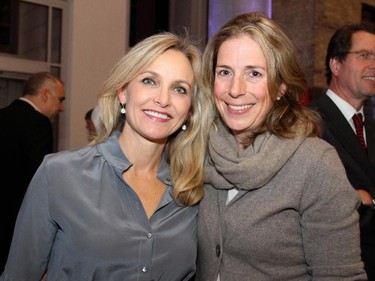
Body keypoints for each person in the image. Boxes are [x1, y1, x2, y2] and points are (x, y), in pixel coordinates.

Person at [1, 32, 213, 280]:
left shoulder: (192, 190)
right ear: (123, 92)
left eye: (179, 89)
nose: (163, 99)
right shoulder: (59, 173)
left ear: (189, 111)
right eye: (149, 81)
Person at [196, 12, 367, 280]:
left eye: (254, 73)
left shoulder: (315, 163)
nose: (235, 89)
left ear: (280, 87)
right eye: (225, 72)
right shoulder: (198, 150)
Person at [310, 23, 375, 280]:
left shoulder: (370, 125)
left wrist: (367, 197)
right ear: (335, 65)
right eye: (364, 55)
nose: (373, 64)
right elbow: (320, 203)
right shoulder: (309, 122)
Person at [0, 71, 65, 272]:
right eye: (60, 99)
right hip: (16, 222)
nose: (61, 108)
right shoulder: (37, 123)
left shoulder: (3, 115)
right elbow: (39, 181)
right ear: (45, 94)